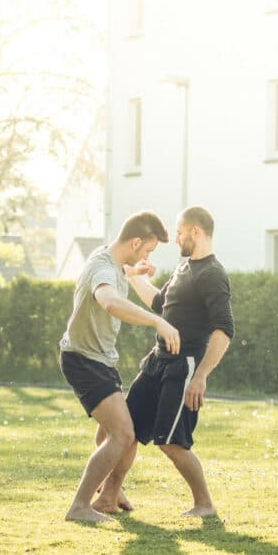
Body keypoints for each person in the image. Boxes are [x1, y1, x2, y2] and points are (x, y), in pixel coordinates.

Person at [101, 206, 234, 516]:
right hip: (157, 360)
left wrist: (200, 376)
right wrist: (135, 277)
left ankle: (204, 504)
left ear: (196, 231)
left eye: (179, 233)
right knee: (127, 430)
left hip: (184, 367)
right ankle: (108, 497)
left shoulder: (213, 274)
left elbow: (224, 329)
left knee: (172, 442)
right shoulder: (184, 267)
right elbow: (161, 303)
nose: (175, 239)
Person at [60, 211, 180, 523]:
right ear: (135, 242)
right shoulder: (102, 268)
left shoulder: (112, 261)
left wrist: (134, 271)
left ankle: (110, 493)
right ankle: (80, 506)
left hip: (100, 359)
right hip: (84, 360)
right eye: (148, 250)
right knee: (123, 433)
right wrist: (156, 321)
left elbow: (118, 272)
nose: (148, 256)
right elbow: (110, 302)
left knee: (110, 432)